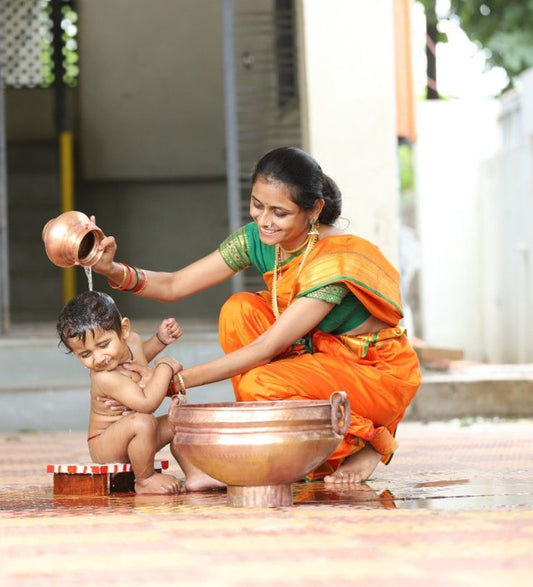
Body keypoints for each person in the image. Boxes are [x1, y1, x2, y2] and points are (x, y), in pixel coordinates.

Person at [91, 146, 422, 489]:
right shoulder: (258, 239)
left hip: (374, 373)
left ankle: (371, 440)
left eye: (280, 212)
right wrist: (111, 268)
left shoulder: (333, 260)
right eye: (258, 205)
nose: (264, 220)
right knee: (240, 310)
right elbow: (175, 284)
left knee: (258, 384)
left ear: (315, 210)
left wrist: (172, 381)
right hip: (318, 359)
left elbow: (267, 347)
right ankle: (286, 439)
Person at [56, 290, 185, 494]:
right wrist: (165, 367)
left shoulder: (132, 341)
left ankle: (195, 474)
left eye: (104, 345)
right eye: (85, 354)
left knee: (182, 421)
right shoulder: (104, 376)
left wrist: (159, 340)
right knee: (142, 420)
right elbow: (147, 403)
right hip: (106, 444)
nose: (99, 358)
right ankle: (145, 479)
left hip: (140, 437)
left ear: (124, 330)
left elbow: (137, 362)